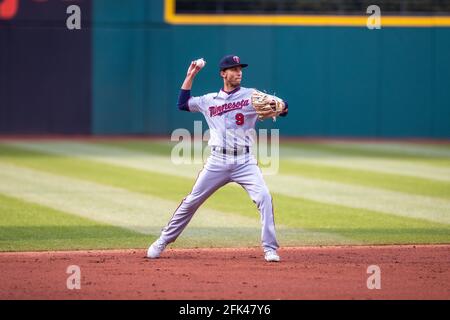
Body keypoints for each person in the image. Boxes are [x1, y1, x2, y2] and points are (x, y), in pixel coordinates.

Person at [147, 55, 288, 262]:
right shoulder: (208, 100)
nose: (238, 72)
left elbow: (282, 109)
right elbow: (183, 103)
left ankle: (269, 249)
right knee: (192, 201)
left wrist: (282, 106)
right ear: (223, 73)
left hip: (245, 161)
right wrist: (191, 75)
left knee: (264, 197)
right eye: (233, 69)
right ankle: (162, 240)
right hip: (217, 161)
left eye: (240, 69)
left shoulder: (251, 95)